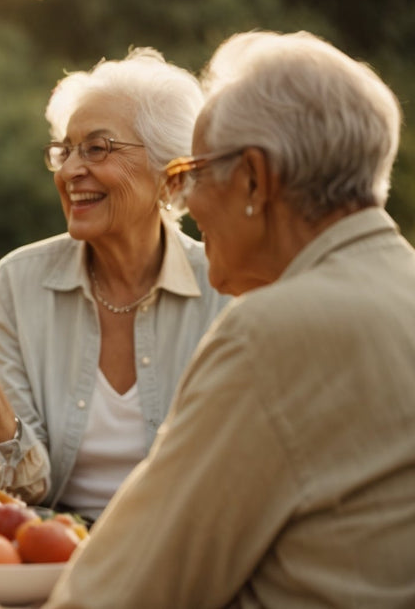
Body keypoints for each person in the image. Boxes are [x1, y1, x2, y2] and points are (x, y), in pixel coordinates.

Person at [42, 30, 415, 607]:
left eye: (192, 170)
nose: (184, 198)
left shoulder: (271, 332)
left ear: (254, 180)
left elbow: (127, 590)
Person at [0, 49, 228, 522]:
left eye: (97, 149)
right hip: (53, 546)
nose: (68, 170)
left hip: (182, 551)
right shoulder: (19, 282)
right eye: (66, 150)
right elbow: (27, 491)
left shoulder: (226, 285)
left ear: (170, 171)